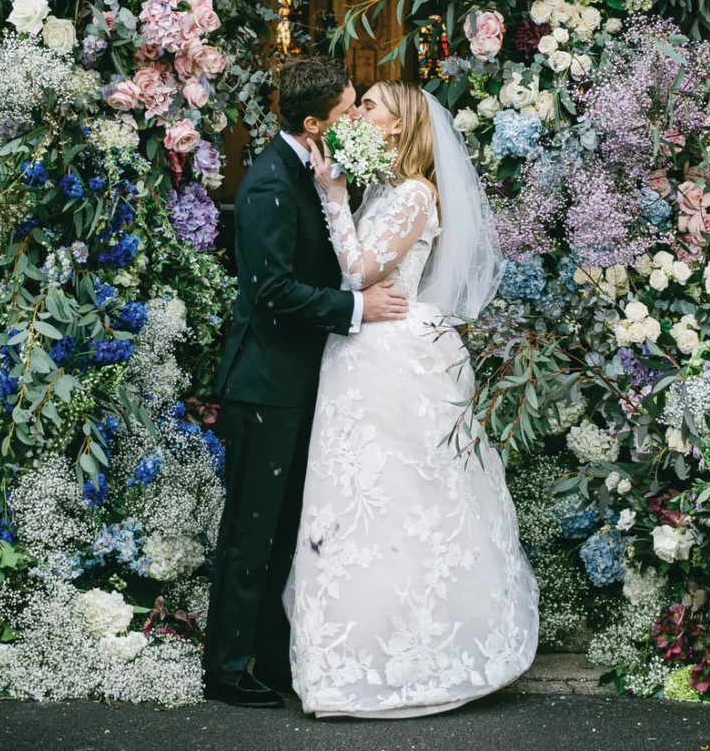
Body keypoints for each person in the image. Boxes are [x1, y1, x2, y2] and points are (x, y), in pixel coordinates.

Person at [284, 79, 540, 718]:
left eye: (369, 105)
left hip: (391, 358)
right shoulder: (385, 189)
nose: (358, 112)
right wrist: (347, 195)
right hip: (361, 353)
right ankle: (347, 659)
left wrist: (333, 198)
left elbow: (358, 272)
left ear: (398, 128)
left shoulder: (417, 194)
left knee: (400, 500)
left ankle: (413, 657)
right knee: (354, 500)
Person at [203, 57, 409, 708]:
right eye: (349, 109)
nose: (355, 117)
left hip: (294, 382)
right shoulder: (267, 184)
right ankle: (228, 668)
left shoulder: (313, 172)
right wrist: (356, 309)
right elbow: (270, 293)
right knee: (251, 531)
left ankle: (266, 655)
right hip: (263, 387)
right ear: (315, 120)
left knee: (284, 526)